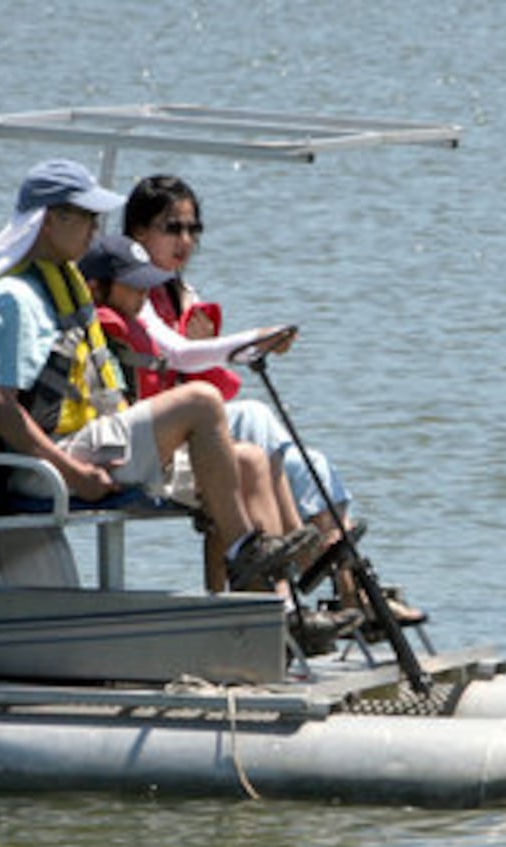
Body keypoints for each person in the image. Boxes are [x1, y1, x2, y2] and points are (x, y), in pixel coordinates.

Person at [0, 159, 311, 593]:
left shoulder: (66, 282)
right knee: (200, 401)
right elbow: (0, 408)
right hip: (54, 460)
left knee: (251, 461)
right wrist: (71, 472)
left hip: (98, 441)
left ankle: (278, 621)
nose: (96, 231)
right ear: (49, 221)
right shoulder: (15, 300)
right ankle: (242, 552)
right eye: (86, 218)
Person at [122, 174, 426, 627]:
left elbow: (212, 373)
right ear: (138, 234)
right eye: (172, 228)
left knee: (315, 465)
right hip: (164, 429)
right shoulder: (132, 289)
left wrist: (239, 348)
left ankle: (348, 586)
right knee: (258, 418)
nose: (185, 240)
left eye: (193, 229)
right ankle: (317, 574)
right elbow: (178, 354)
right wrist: (250, 340)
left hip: (197, 421)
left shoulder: (180, 291)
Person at [79, 233, 361, 651]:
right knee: (244, 429)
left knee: (252, 458)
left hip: (154, 447)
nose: (143, 294)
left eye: (145, 285)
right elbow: (173, 361)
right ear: (97, 287)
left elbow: (176, 355)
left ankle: (286, 608)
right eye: (133, 285)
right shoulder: (98, 325)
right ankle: (282, 577)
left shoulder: (135, 318)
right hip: (122, 454)